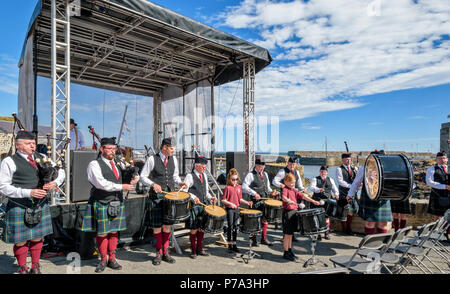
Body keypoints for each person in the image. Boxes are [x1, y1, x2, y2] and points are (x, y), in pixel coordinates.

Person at [0, 130, 65, 274]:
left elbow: (60, 171)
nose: (33, 146)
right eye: (28, 143)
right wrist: (28, 192)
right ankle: (23, 266)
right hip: (19, 205)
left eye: (34, 143)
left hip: (40, 204)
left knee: (37, 236)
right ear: (18, 145)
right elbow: (3, 186)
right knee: (21, 240)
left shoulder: (42, 157)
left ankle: (35, 265)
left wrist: (55, 182)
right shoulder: (9, 161)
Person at [81, 137, 139, 273]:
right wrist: (122, 186)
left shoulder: (118, 163)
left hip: (117, 201)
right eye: (109, 148)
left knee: (114, 231)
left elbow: (127, 175)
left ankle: (112, 258)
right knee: (102, 233)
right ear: (102, 149)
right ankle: (103, 259)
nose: (113, 151)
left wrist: (134, 177)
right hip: (101, 201)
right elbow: (101, 183)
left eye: (114, 149)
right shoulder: (94, 164)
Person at [139, 137, 187, 265]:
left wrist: (180, 182)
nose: (173, 151)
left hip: (169, 197)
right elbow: (142, 176)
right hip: (156, 197)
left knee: (167, 226)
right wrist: (153, 184)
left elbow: (175, 176)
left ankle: (166, 252)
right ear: (164, 147)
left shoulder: (174, 159)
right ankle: (158, 253)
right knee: (157, 227)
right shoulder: (152, 159)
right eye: (171, 148)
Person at [346, 150, 393, 235]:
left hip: (383, 198)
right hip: (369, 197)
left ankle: (382, 244)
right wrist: (350, 194)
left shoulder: (387, 169)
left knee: (383, 223)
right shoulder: (363, 169)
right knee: (369, 222)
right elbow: (356, 183)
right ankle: (368, 244)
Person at [183, 156, 217, 259]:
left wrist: (211, 198)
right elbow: (184, 192)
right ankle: (193, 250)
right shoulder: (189, 176)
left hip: (203, 205)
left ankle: (199, 248)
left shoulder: (205, 176)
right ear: (196, 165)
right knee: (194, 229)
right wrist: (193, 197)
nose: (204, 168)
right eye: (203, 166)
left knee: (202, 228)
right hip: (194, 206)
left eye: (205, 166)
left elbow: (206, 192)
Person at [281, 173, 321, 261]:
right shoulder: (285, 189)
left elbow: (303, 196)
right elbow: (283, 197)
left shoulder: (294, 190)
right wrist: (288, 200)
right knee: (287, 234)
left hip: (294, 212)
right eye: (291, 183)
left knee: (291, 234)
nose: (292, 184)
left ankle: (290, 250)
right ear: (286, 182)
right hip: (288, 213)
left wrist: (313, 201)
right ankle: (285, 252)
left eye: (294, 183)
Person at [242, 158, 279, 247]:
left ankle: (263, 238)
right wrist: (254, 193)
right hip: (255, 202)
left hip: (265, 201)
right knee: (255, 220)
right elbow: (244, 186)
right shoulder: (250, 175)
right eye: (259, 166)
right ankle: (253, 240)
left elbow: (267, 187)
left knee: (265, 220)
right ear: (255, 165)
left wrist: (272, 192)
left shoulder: (265, 174)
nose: (261, 168)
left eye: (263, 166)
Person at [272, 156, 306, 242]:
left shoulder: (296, 172)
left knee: (293, 216)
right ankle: (285, 235)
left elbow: (299, 184)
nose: (292, 165)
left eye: (294, 164)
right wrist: (281, 185)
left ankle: (292, 235)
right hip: (285, 196)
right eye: (291, 164)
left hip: (294, 196)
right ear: (288, 163)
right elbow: (274, 181)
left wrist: (303, 189)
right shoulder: (282, 171)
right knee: (286, 217)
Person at [221, 168, 253, 253]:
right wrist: (230, 204)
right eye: (233, 179)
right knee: (230, 227)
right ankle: (229, 246)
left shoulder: (239, 187)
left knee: (235, 227)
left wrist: (247, 203)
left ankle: (234, 244)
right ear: (229, 179)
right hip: (230, 209)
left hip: (236, 209)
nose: (235, 181)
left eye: (236, 179)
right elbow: (223, 200)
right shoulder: (228, 188)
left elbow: (240, 199)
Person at [309, 165, 339, 240]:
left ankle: (326, 232)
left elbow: (335, 189)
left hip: (327, 201)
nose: (323, 173)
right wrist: (319, 189)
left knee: (326, 217)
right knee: (318, 216)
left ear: (327, 172)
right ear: (320, 172)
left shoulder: (331, 179)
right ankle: (318, 233)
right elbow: (312, 187)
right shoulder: (315, 179)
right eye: (322, 171)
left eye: (325, 171)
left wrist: (336, 194)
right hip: (317, 200)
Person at [425, 151, 450, 239]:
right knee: (438, 215)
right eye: (440, 158)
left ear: (447, 159)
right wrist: (444, 186)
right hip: (437, 195)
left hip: (449, 195)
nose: (442, 160)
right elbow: (429, 182)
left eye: (444, 158)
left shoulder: (449, 168)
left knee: (448, 215)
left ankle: (447, 234)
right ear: (436, 160)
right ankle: (437, 234)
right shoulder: (431, 169)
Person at [336, 153, 359, 235]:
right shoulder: (339, 169)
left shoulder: (354, 168)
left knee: (352, 211)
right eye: (346, 159)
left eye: (349, 159)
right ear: (342, 160)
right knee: (345, 211)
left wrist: (359, 185)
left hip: (353, 194)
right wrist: (352, 186)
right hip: (344, 193)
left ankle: (348, 228)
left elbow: (358, 179)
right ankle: (345, 229)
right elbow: (340, 182)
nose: (348, 160)